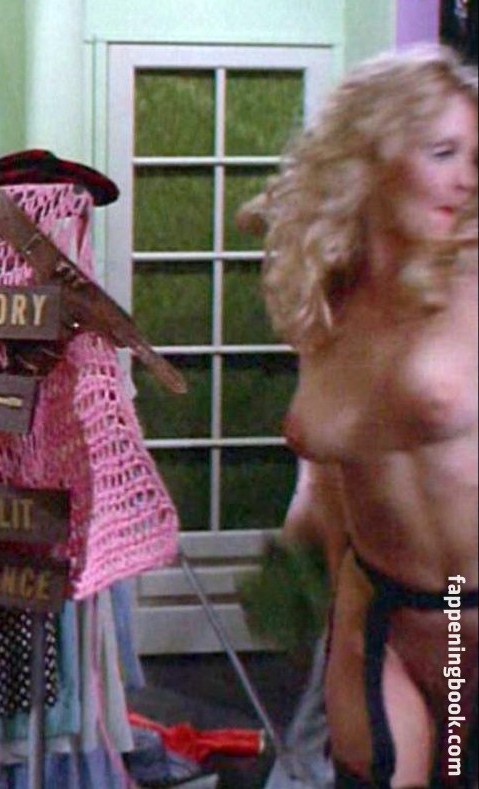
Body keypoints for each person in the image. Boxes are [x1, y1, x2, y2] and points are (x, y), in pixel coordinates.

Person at [254, 46, 478, 787]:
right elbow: (330, 472)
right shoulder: (324, 299)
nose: (466, 178)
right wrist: (299, 555)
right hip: (382, 616)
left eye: (474, 156)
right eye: (443, 153)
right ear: (370, 154)